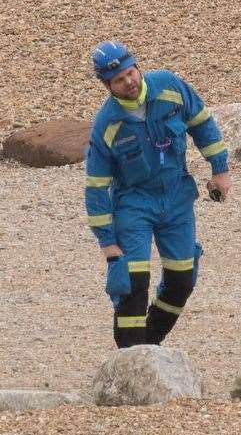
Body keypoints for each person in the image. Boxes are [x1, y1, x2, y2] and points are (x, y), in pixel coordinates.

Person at [84, 41, 230, 348]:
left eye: (130, 73)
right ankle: (129, 361)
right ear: (108, 86)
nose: (129, 82)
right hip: (134, 204)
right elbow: (96, 187)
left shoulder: (170, 86)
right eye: (119, 80)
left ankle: (149, 349)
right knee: (132, 282)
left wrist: (219, 169)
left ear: (137, 66)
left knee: (182, 280)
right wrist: (108, 245)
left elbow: (202, 122)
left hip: (177, 198)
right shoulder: (106, 125)